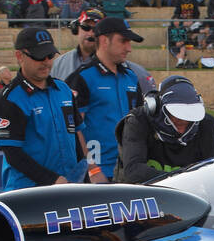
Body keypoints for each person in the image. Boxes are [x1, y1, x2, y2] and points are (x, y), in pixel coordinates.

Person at [0, 26, 84, 189]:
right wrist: (52, 180)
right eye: (39, 56)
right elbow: (12, 153)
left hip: (67, 186)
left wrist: (85, 171)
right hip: (27, 192)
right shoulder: (8, 99)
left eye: (50, 55)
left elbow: (76, 134)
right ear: (19, 56)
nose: (46, 62)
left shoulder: (63, 90)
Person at [66, 17, 154, 181]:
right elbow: (71, 130)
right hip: (95, 174)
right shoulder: (81, 78)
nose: (129, 48)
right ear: (104, 40)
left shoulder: (131, 77)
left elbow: (141, 122)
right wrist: (92, 169)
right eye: (123, 41)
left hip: (128, 169)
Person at [115, 76, 214, 184]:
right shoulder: (138, 121)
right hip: (143, 195)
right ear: (156, 106)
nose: (182, 127)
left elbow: (213, 171)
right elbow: (133, 171)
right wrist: (180, 179)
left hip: (189, 194)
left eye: (189, 118)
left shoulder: (206, 124)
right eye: (177, 117)